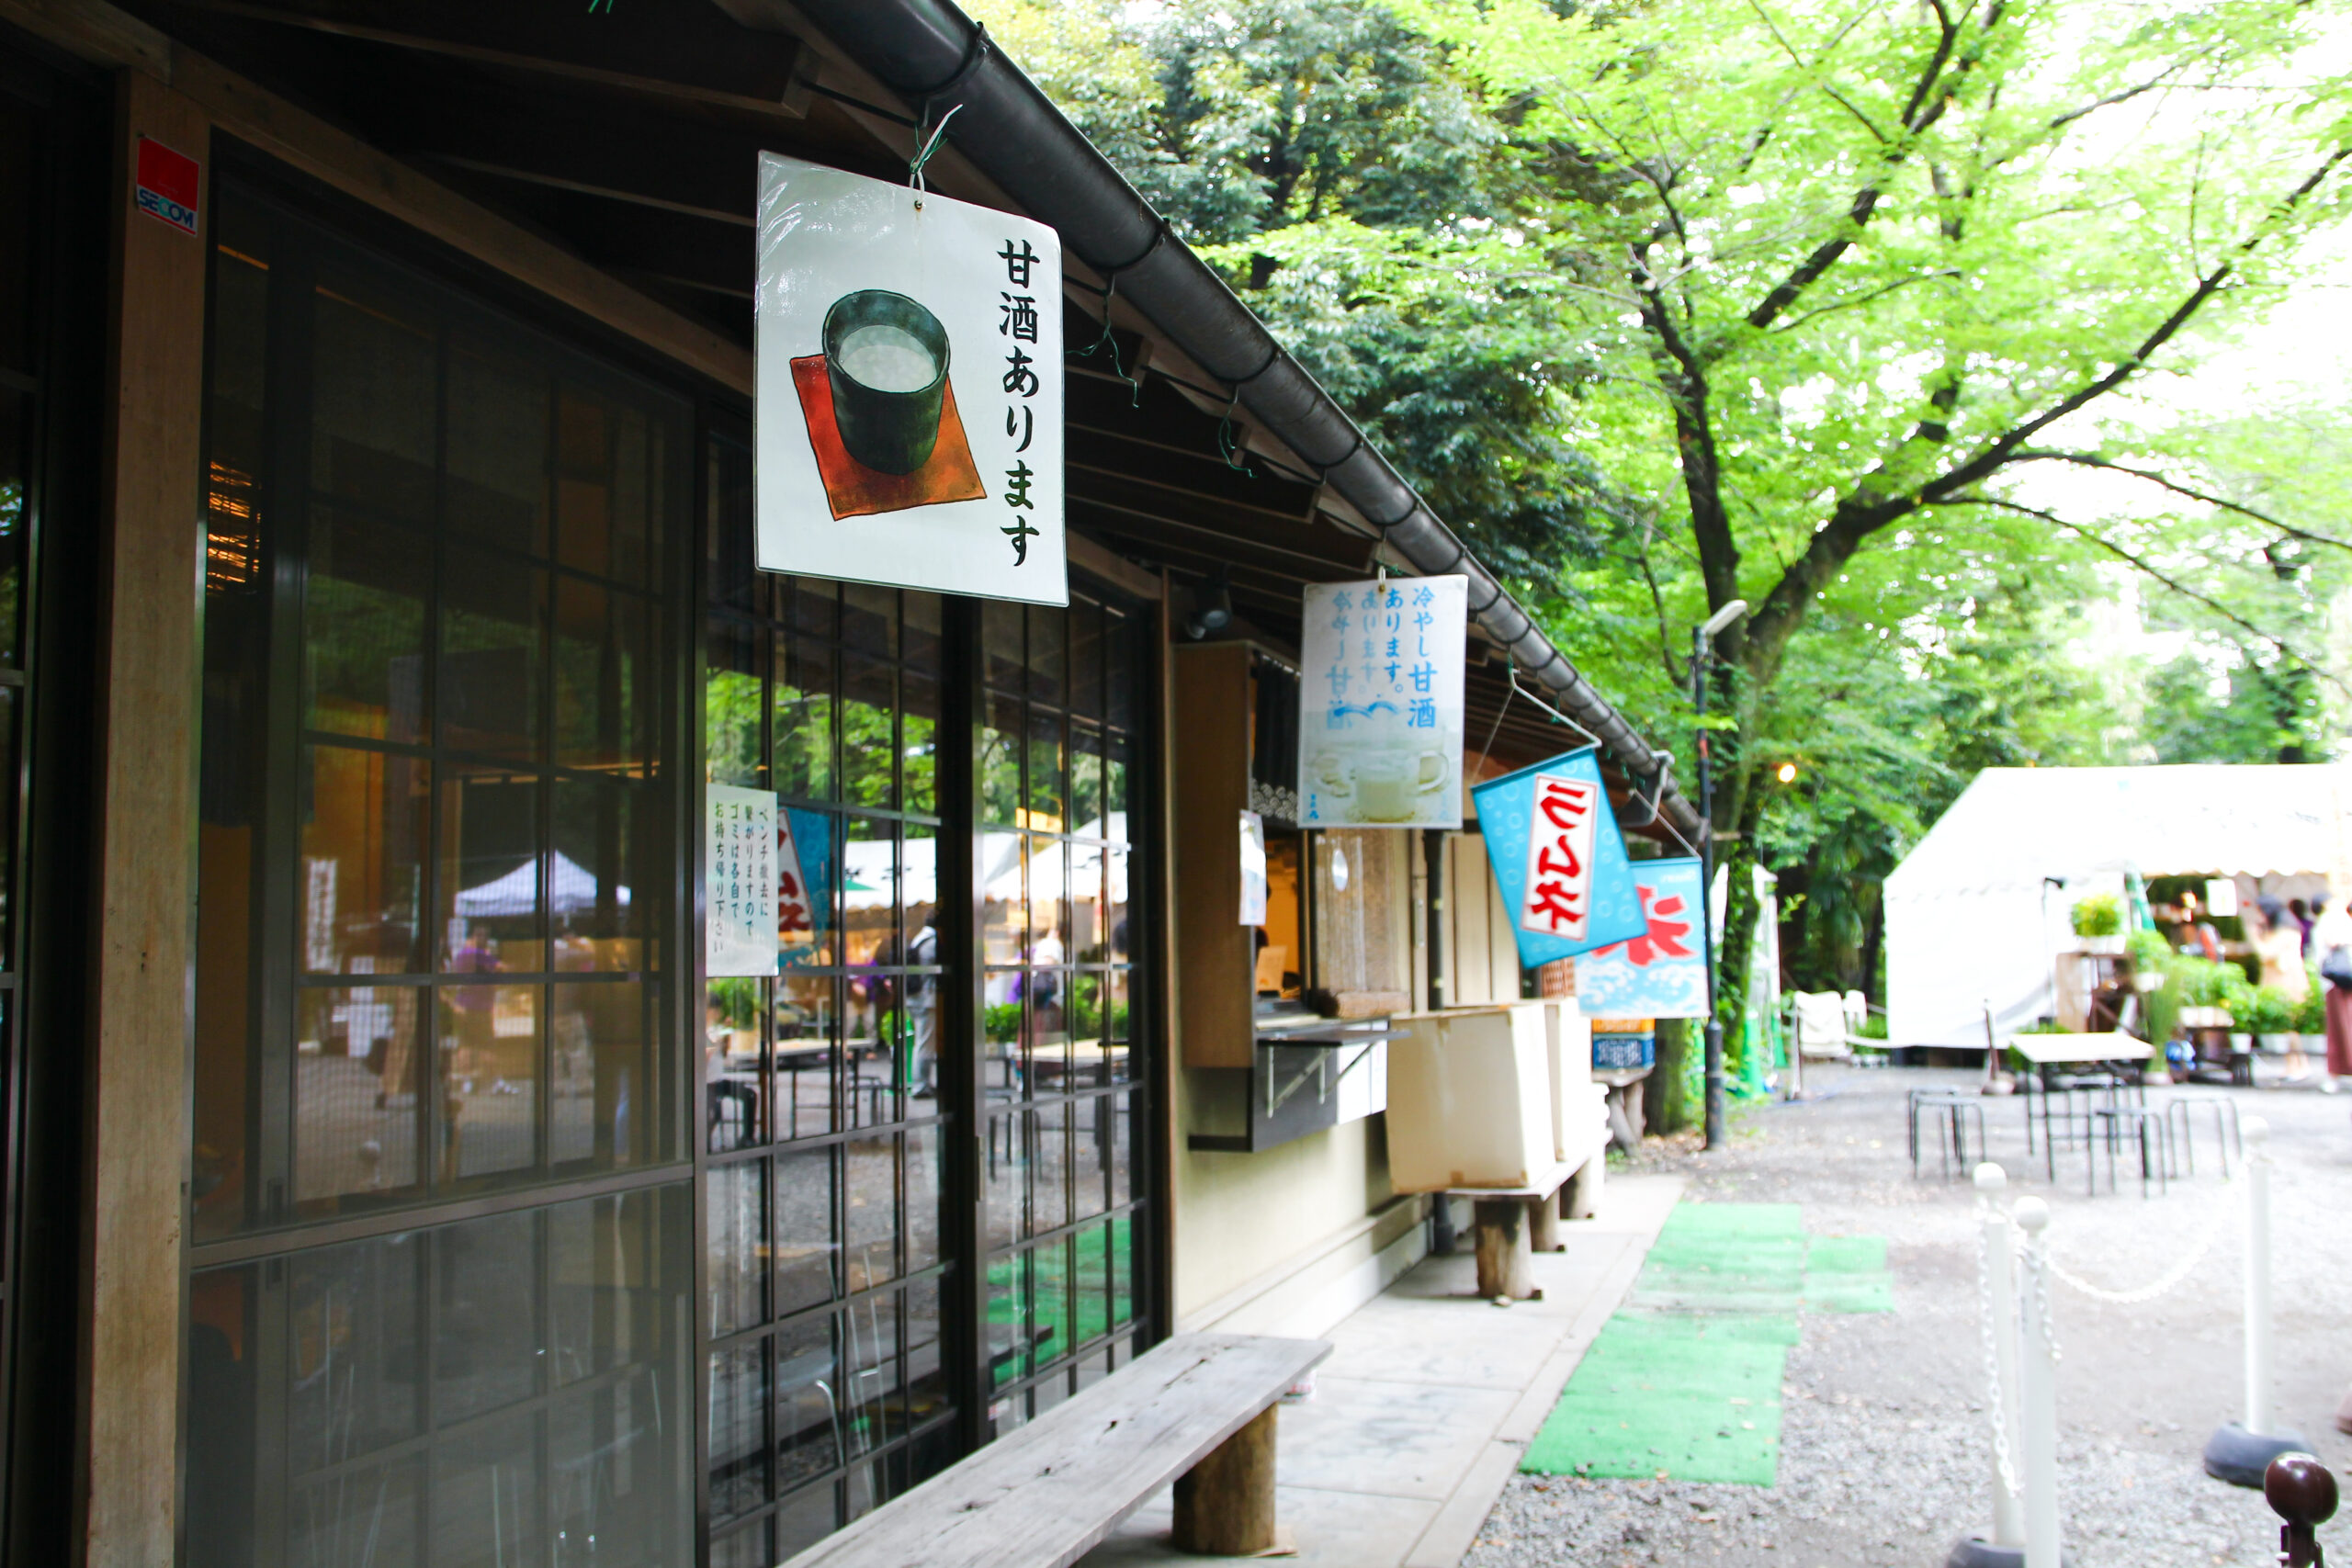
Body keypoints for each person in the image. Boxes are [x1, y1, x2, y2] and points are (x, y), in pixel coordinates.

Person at [2251, 896, 2312, 1082]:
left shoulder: (2285, 931)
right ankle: (2293, 1066)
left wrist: (2254, 936)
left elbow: (2266, 953)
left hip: (2287, 981)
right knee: (2288, 1027)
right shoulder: (2283, 929)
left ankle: (2300, 1066)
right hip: (2284, 980)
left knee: (2290, 1026)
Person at [2313, 894, 2352, 1094]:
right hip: (2341, 983)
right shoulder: (2335, 919)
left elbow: (2332, 941)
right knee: (2342, 1031)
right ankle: (2335, 1074)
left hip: (2340, 984)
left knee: (2342, 1031)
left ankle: (2335, 1076)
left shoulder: (2331, 920)